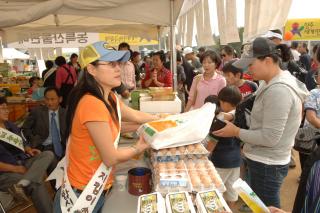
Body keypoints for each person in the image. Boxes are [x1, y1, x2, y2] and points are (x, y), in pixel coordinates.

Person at [53, 41, 159, 212]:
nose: (118, 68)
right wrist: (138, 147)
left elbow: (133, 116)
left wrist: (162, 119)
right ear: (91, 69)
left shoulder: (109, 97)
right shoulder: (92, 103)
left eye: (118, 63)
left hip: (94, 187)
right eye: (111, 64)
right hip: (82, 193)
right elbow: (110, 157)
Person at [213, 37, 309, 207]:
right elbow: (255, 106)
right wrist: (233, 114)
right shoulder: (269, 82)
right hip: (261, 159)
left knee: (265, 207)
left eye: (251, 64)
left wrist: (236, 132)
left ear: (268, 60)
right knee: (256, 204)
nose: (248, 70)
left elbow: (270, 137)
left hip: (267, 164)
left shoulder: (279, 90)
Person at [0, 97, 54, 213]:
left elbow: (23, 141)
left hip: (24, 162)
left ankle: (24, 183)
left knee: (48, 154)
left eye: (6, 108)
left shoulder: (10, 125)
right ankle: (27, 181)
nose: (7, 111)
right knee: (36, 184)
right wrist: (16, 168)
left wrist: (28, 149)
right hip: (6, 173)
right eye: (3, 108)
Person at [207, 86, 242, 208]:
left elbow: (212, 142)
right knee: (232, 189)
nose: (220, 104)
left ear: (225, 102)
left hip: (221, 161)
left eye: (221, 102)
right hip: (236, 160)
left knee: (217, 190)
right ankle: (230, 209)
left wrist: (205, 155)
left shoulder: (221, 120)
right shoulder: (240, 116)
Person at [22, 87, 66, 173]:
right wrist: (33, 138)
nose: (49, 102)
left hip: (62, 147)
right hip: (43, 146)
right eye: (47, 99)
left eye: (53, 99)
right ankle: (57, 186)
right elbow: (25, 128)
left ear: (60, 99)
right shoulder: (37, 112)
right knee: (54, 165)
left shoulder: (66, 113)